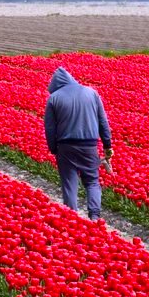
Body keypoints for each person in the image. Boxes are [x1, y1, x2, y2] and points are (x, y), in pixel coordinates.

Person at [44, 67, 113, 221]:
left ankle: (72, 218)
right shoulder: (91, 93)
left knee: (69, 183)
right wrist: (107, 145)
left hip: (65, 146)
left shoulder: (54, 98)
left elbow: (49, 127)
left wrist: (53, 148)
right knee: (92, 181)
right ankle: (94, 216)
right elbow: (103, 121)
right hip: (89, 145)